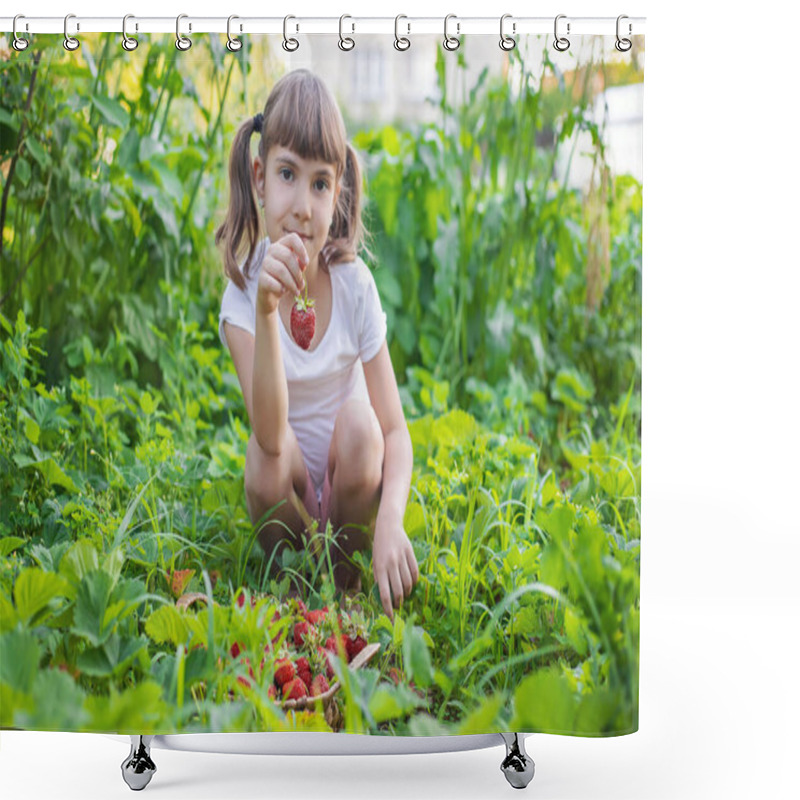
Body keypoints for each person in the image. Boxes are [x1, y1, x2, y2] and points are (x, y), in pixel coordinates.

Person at [215, 69, 418, 619]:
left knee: (360, 426)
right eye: (288, 174)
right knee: (260, 459)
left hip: (347, 492)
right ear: (259, 179)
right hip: (289, 498)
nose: (304, 205)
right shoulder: (241, 298)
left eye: (321, 183)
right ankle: (298, 586)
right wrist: (264, 307)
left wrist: (391, 521)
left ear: (338, 191)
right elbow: (272, 435)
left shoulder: (354, 288)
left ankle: (345, 581)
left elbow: (395, 431)